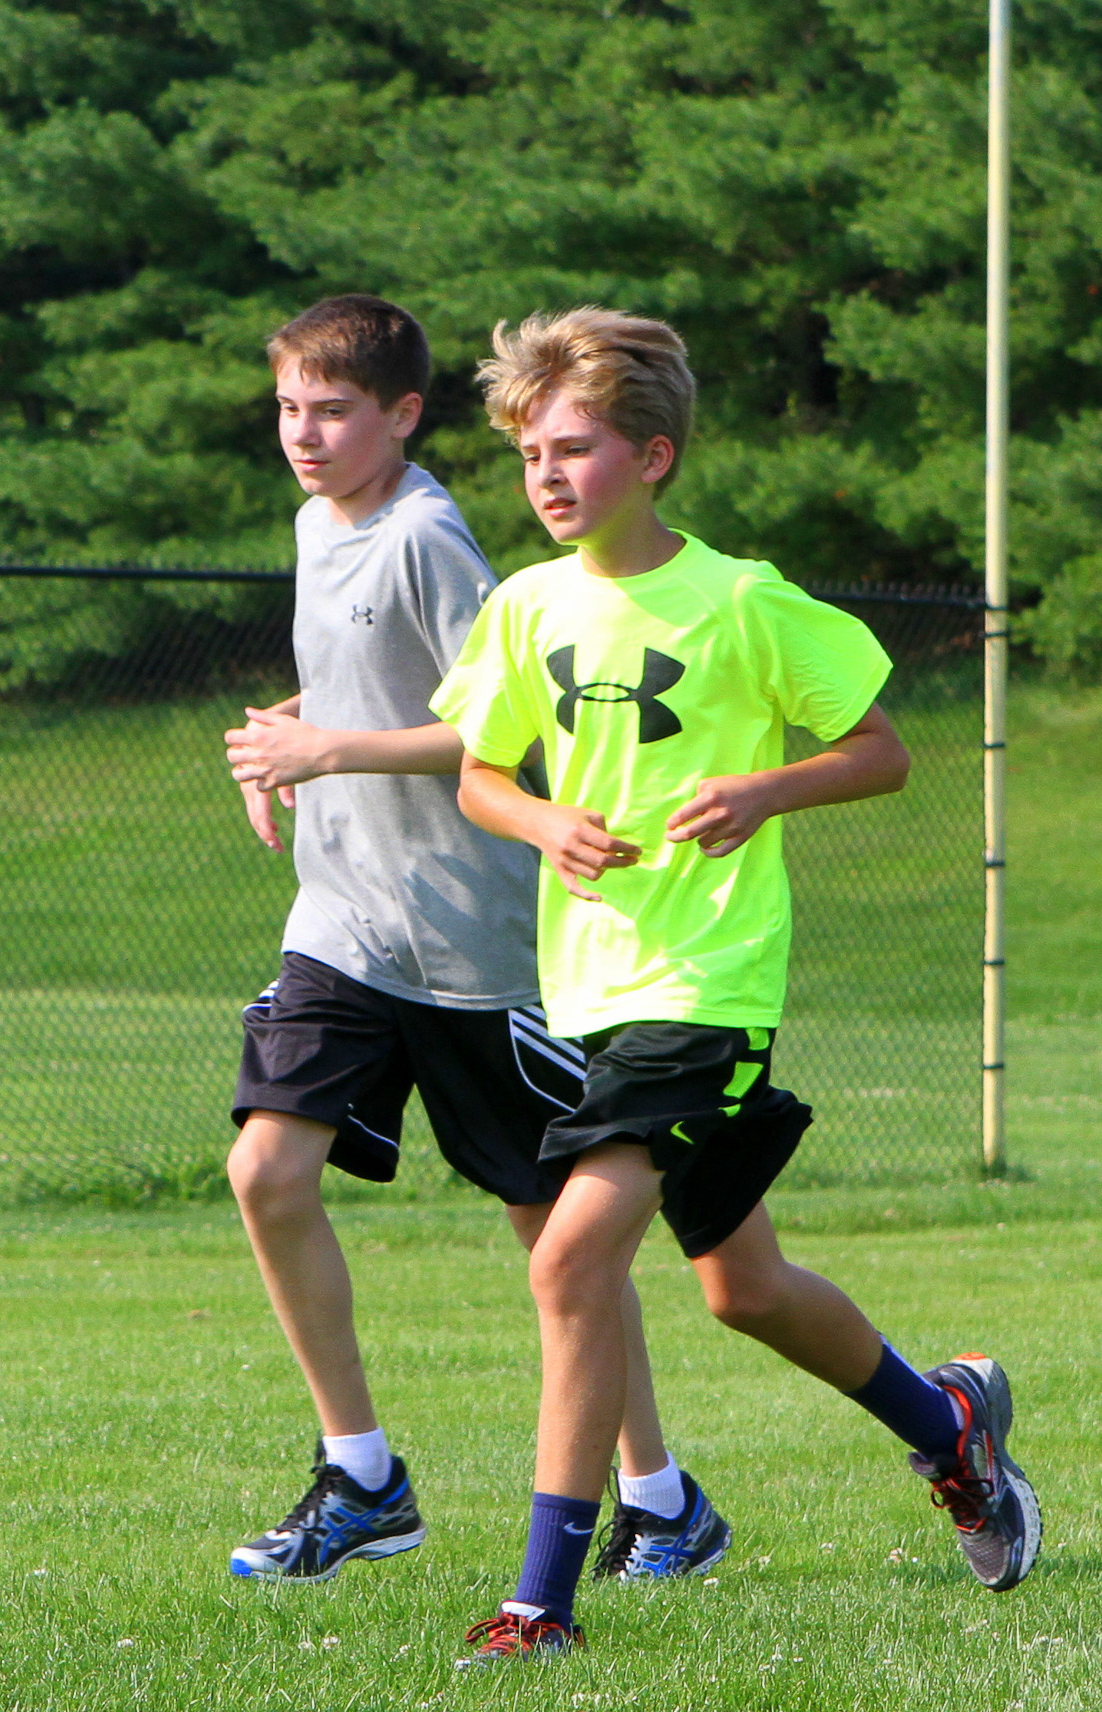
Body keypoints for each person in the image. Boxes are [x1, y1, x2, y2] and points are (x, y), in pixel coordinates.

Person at [428, 306, 1039, 1666]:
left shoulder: (746, 600)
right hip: (592, 988)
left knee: (571, 1253)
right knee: (742, 1287)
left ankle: (540, 1602)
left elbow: (880, 751)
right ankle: (950, 1426)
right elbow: (478, 773)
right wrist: (543, 822)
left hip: (709, 984)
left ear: (652, 456)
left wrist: (765, 788)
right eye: (530, 453)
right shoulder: (527, 606)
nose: (546, 474)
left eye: (574, 448)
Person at [220, 295, 725, 1586]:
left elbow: (502, 723)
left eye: (333, 411)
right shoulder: (317, 523)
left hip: (474, 948)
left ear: (402, 415)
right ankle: (362, 1476)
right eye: (288, 409)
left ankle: (661, 1498)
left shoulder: (427, 536)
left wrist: (331, 748)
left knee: (557, 1242)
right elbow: (365, 685)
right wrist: (286, 739)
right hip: (345, 925)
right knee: (267, 1168)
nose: (304, 434)